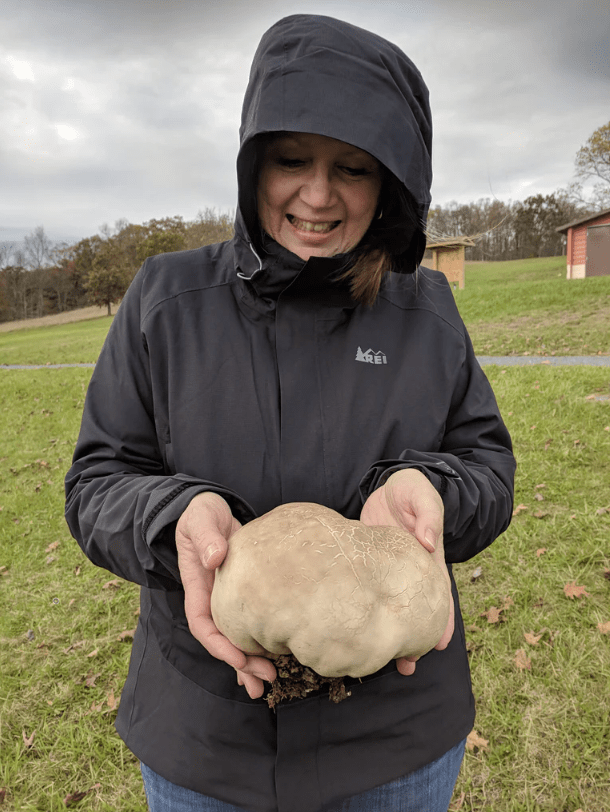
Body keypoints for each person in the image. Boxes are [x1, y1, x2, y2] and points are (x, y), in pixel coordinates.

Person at [65, 13, 516, 812]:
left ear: (391, 183)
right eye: (291, 160)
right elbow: (98, 480)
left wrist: (432, 489)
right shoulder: (166, 301)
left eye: (352, 167)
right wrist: (174, 514)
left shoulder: (428, 308)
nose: (317, 194)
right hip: (205, 744)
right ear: (252, 165)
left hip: (396, 745)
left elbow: (487, 466)